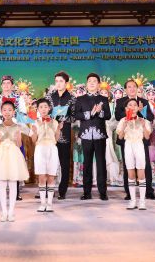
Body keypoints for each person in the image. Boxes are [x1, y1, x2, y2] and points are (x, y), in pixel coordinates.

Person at [114, 79, 155, 202]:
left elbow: (150, 117)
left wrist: (141, 111)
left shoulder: (144, 101)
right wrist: (131, 111)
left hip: (141, 137)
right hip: (126, 137)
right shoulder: (120, 101)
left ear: (137, 89)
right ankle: (129, 192)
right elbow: (117, 116)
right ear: (125, 90)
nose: (132, 89)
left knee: (145, 164)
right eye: (129, 87)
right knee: (128, 164)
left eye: (134, 86)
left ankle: (149, 191)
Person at [0, 100, 30, 222]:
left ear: (14, 112)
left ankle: (11, 212)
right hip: (1, 156)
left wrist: (17, 138)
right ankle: (4, 212)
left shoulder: (18, 126)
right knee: (2, 183)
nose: (7, 112)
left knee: (12, 183)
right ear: (1, 112)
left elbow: (19, 144)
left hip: (13, 155)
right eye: (4, 110)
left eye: (10, 110)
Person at [75, 73, 111, 200]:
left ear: (98, 84)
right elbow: (76, 115)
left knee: (101, 163)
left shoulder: (103, 99)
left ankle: (103, 192)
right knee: (87, 164)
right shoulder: (80, 99)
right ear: (86, 84)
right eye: (89, 81)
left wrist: (99, 112)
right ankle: (87, 192)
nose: (91, 83)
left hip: (100, 135)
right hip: (86, 135)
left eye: (94, 81)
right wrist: (89, 113)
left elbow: (108, 115)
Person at [45, 71, 75, 199]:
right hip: (50, 134)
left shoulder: (72, 98)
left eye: (61, 81)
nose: (58, 83)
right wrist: (51, 117)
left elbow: (74, 116)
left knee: (64, 163)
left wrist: (64, 119)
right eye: (56, 81)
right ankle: (47, 189)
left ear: (66, 83)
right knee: (48, 162)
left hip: (64, 134)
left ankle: (62, 190)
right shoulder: (49, 96)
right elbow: (44, 112)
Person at [30, 99, 60, 212]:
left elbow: (56, 139)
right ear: (38, 109)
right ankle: (43, 203)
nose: (43, 109)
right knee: (42, 176)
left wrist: (58, 130)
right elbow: (34, 141)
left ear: (49, 108)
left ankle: (50, 204)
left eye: (45, 107)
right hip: (40, 149)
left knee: (51, 176)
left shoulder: (54, 122)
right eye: (41, 107)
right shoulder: (35, 123)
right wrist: (34, 132)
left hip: (52, 148)